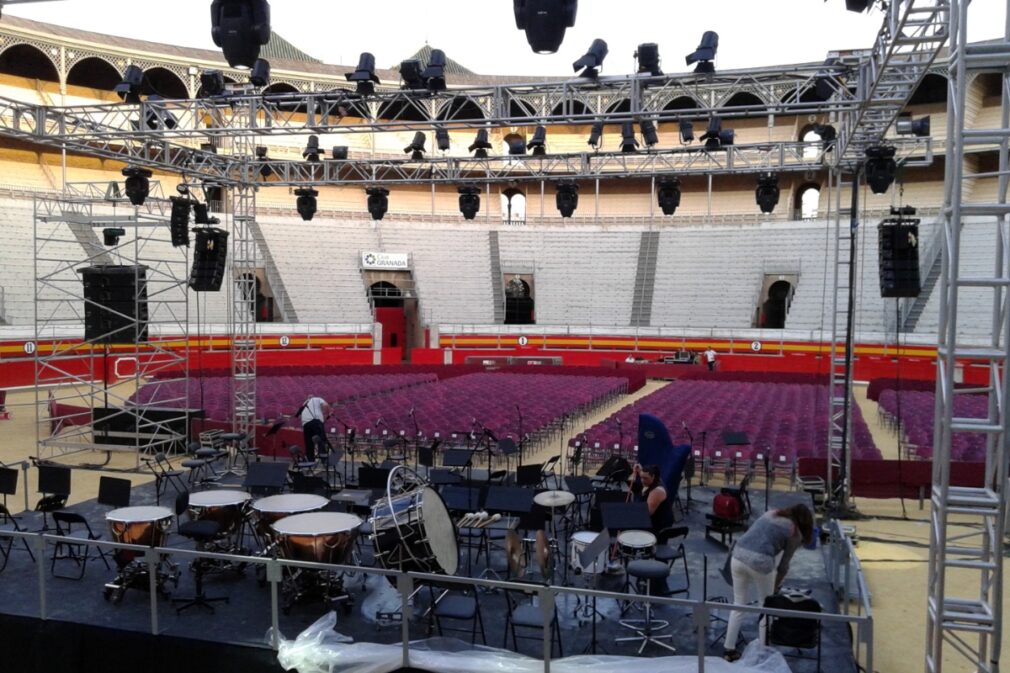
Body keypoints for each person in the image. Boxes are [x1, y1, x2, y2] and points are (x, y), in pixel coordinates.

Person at [722, 503, 815, 662]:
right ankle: (762, 651)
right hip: (761, 563)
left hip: (737, 557)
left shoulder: (771, 513)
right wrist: (775, 587)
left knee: (738, 605)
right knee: (766, 608)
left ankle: (728, 649)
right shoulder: (794, 532)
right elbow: (784, 566)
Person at [628, 463, 674, 535]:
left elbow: (645, 514)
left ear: (653, 477)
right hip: (653, 519)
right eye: (641, 477)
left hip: (659, 526)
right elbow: (641, 476)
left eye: (645, 478)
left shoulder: (657, 491)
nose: (642, 480)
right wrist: (636, 471)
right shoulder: (653, 479)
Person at [298, 394, 330, 461]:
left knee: (309, 442)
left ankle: (310, 460)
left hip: (305, 424)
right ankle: (324, 459)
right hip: (315, 421)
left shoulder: (304, 403)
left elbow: (299, 415)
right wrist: (326, 414)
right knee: (321, 439)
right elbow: (326, 405)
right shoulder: (317, 399)